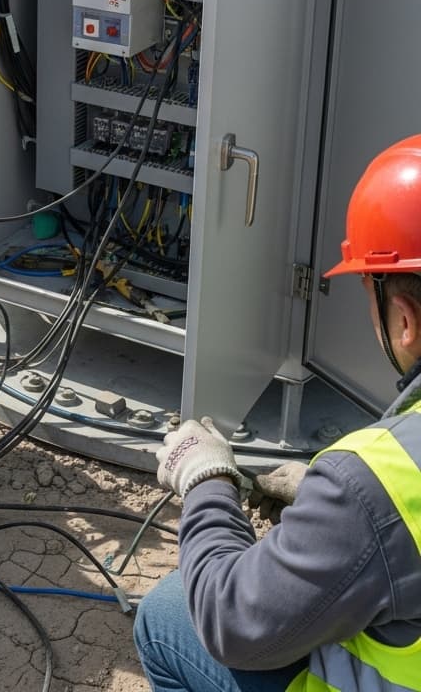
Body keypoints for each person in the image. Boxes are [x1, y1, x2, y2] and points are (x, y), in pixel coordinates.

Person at [136, 134, 421, 692]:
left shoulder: (380, 482)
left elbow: (234, 621)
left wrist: (207, 480)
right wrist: (333, 501)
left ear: (404, 319)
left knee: (169, 616)